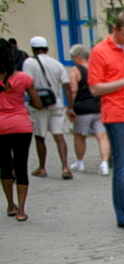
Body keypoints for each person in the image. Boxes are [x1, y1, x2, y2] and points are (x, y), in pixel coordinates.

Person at [89, 11, 124, 230]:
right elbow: (94, 88)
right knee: (123, 166)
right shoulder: (100, 51)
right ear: (115, 29)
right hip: (115, 113)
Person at [1, 38, 44, 221]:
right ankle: (21, 211)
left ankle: (10, 205)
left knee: (5, 167)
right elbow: (38, 103)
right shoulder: (24, 78)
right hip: (21, 125)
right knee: (21, 166)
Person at [23, 36, 73, 180]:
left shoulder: (29, 63)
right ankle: (65, 167)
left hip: (38, 104)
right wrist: (70, 106)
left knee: (40, 136)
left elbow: (28, 83)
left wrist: (30, 102)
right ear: (47, 48)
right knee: (59, 136)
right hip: (56, 102)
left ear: (33, 49)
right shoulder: (57, 64)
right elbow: (66, 86)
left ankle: (42, 167)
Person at [67, 44, 110, 175]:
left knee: (80, 136)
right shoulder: (97, 68)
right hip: (98, 107)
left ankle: (80, 162)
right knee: (102, 136)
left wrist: (71, 107)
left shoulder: (76, 70)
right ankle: (104, 163)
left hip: (83, 108)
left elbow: (73, 89)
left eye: (73, 57)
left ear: (78, 57)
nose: (72, 60)